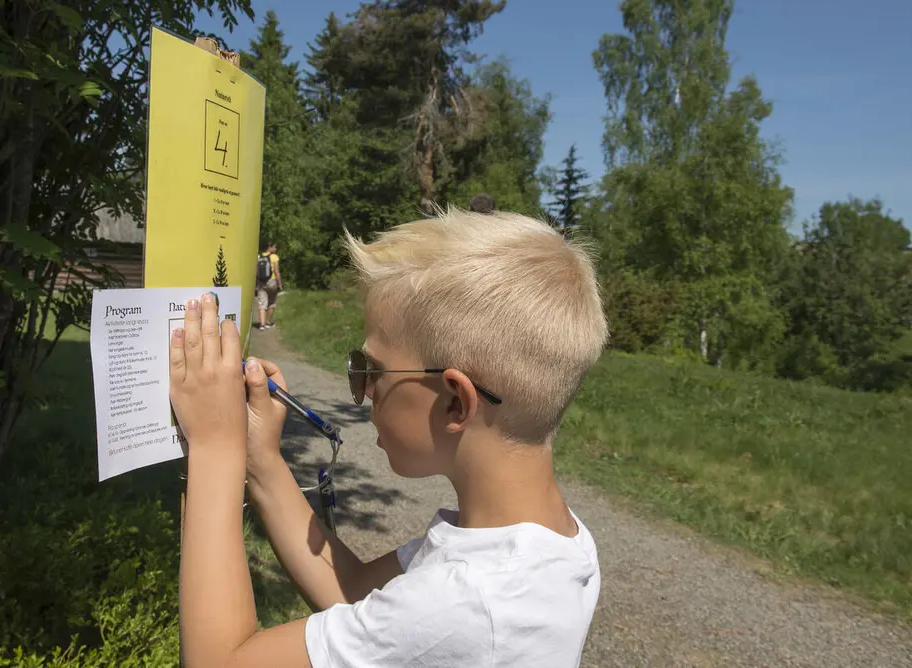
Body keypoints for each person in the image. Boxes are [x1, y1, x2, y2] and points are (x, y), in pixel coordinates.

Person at [168, 207, 609, 668]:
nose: (362, 389)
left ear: (455, 402)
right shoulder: (553, 543)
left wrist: (216, 449)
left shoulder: (469, 604)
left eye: (370, 370)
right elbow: (354, 591)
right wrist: (260, 460)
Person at [254, 243, 282, 329]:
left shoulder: (258, 257)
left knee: (262, 303)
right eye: (274, 246)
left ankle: (262, 325)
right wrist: (280, 284)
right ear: (269, 247)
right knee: (272, 302)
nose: (275, 248)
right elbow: (276, 272)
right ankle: (268, 322)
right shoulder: (274, 257)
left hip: (261, 282)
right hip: (272, 282)